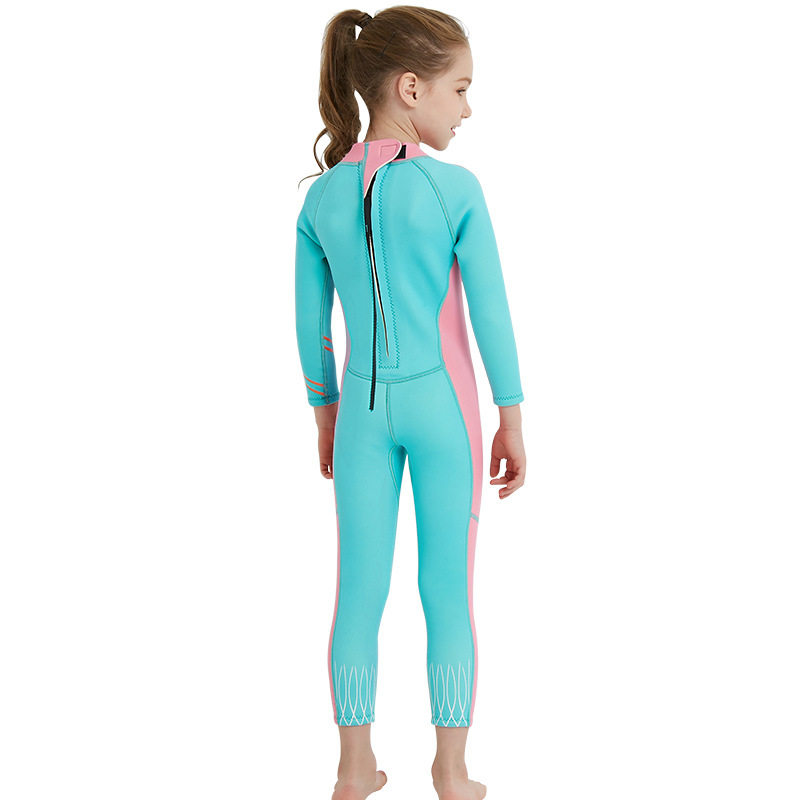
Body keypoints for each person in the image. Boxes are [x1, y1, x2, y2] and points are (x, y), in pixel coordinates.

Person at [295, 7, 526, 799]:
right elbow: (490, 313)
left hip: (360, 417)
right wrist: (512, 416)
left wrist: (325, 416)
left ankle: (353, 767)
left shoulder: (321, 199)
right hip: (444, 414)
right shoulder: (454, 188)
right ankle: (451, 772)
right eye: (460, 88)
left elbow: (311, 328)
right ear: (410, 87)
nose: (468, 107)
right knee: (445, 591)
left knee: (357, 591)